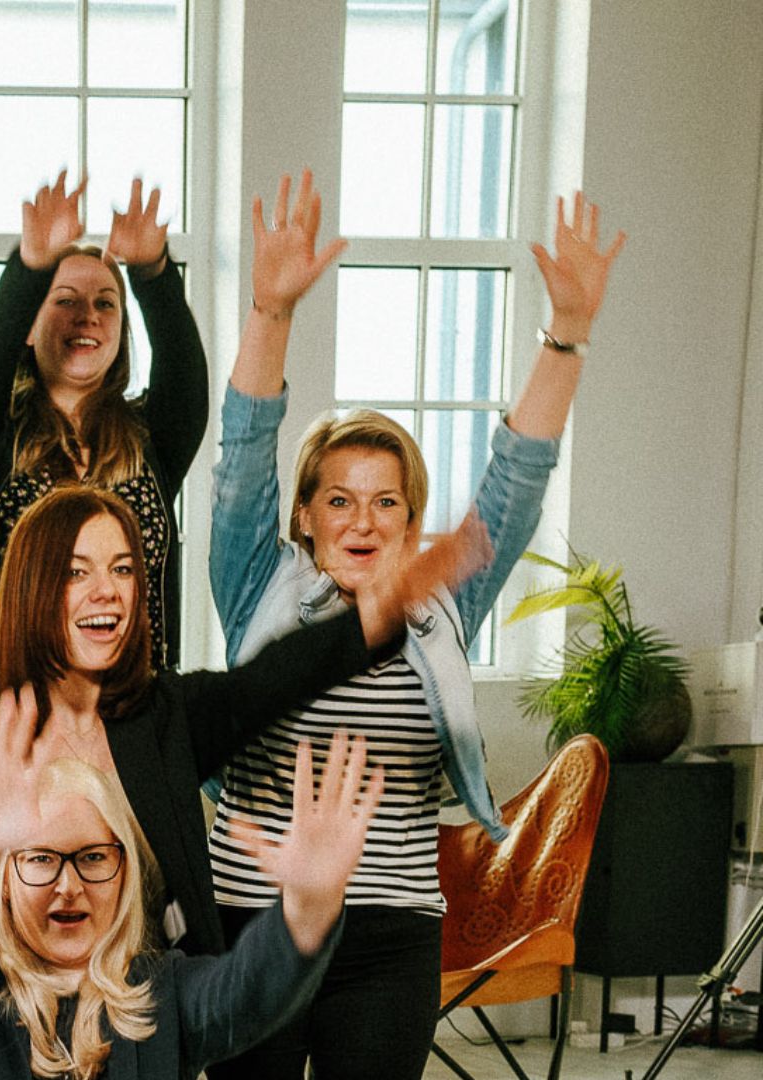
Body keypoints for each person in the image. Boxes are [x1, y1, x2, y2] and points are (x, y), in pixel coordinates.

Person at [204, 178, 625, 1080]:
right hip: (252, 920)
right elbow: (243, 454)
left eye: (386, 502)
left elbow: (514, 484)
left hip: (390, 931)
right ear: (307, 516)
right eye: (339, 500)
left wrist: (567, 336)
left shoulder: (441, 609)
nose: (362, 521)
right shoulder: (256, 587)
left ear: (408, 522)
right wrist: (271, 311)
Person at [0, 483, 488, 972]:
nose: (108, 590)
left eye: (123, 568)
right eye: (76, 572)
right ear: (32, 589)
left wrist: (392, 600)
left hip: (142, 1044)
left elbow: (279, 675)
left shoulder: (165, 719)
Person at [0, 686, 384, 1080]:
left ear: (125, 871)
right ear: (4, 879)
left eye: (93, 857)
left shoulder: (162, 991)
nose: (67, 885)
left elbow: (249, 991)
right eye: (42, 858)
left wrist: (311, 904)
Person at [0, 172, 208, 688]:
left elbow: (185, 375)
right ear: (30, 324)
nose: (87, 316)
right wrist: (30, 268)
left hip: (134, 706)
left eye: (105, 303)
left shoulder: (151, 439)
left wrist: (152, 272)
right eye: (65, 300)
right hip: (8, 706)